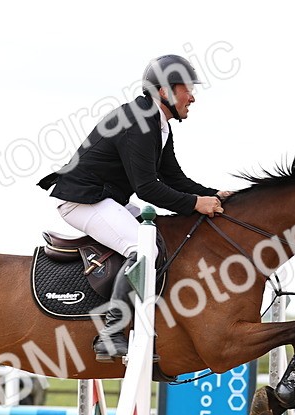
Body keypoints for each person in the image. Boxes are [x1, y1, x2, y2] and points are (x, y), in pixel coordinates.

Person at [38, 54, 235, 361]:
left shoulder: (158, 123)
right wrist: (197, 203)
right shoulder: (140, 120)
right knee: (144, 250)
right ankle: (111, 334)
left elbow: (173, 178)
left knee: (158, 242)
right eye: (187, 89)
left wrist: (215, 195)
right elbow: (147, 189)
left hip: (104, 199)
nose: (192, 97)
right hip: (82, 200)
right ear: (164, 91)